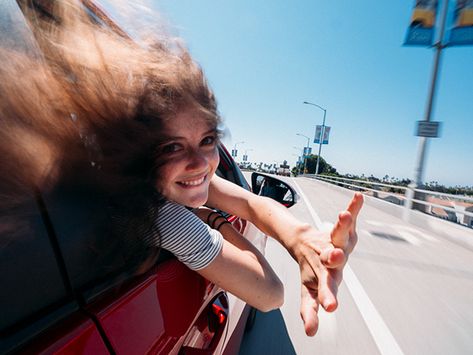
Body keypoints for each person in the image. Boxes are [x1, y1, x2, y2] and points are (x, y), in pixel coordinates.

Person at [2, 0, 363, 336]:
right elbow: (270, 293)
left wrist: (300, 238)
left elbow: (252, 203)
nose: (201, 162)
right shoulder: (163, 217)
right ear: (137, 152)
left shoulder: (169, 179)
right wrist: (211, 220)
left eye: (208, 139)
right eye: (172, 146)